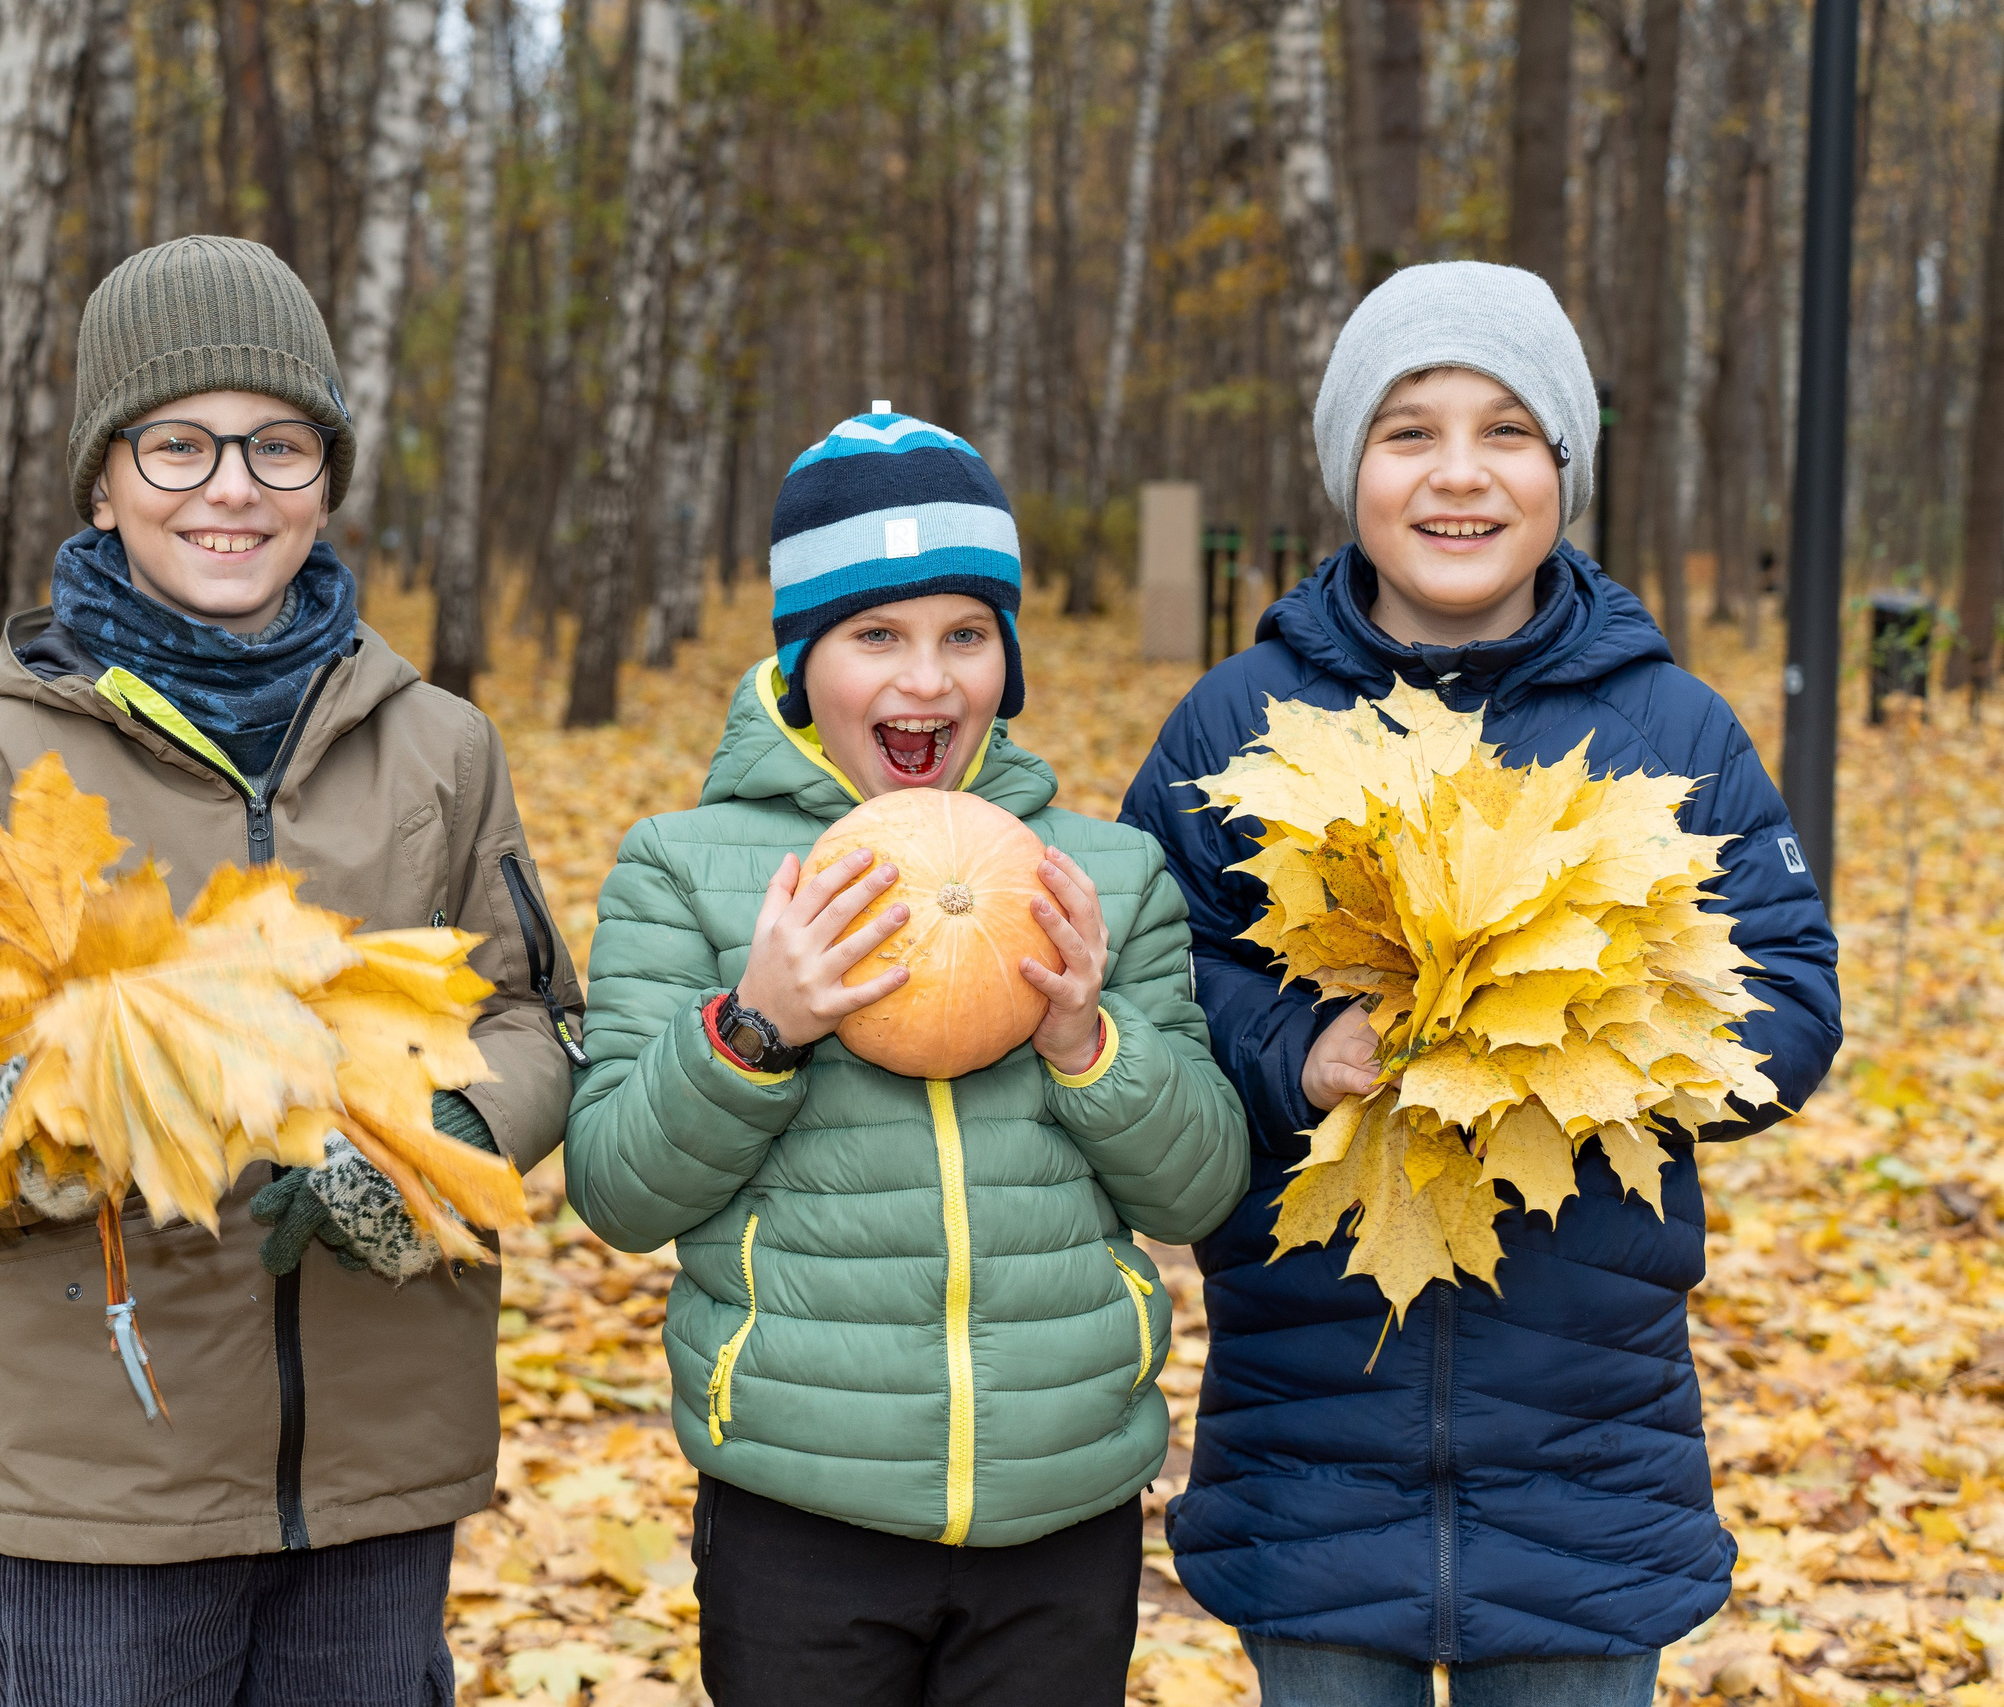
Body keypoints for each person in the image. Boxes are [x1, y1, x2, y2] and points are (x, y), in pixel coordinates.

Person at [0, 235, 584, 1707]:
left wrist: (446, 1140)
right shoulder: (1, 755)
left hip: (383, 1460)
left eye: (278, 444)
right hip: (108, 1481)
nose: (232, 488)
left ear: (328, 473)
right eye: (177, 445)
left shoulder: (438, 746)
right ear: (105, 481)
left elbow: (534, 1017)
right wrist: (18, 1137)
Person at [1121, 262, 1842, 1706]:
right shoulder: (1238, 721)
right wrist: (1289, 1050)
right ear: (1349, 469)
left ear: (1564, 464)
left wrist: (1593, 1032)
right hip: (1313, 1440)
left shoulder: (1671, 725)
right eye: (1410, 431)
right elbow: (1148, 985)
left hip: (1588, 1451)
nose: (1460, 474)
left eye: (1509, 430)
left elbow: (1791, 993)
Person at [561, 408, 1248, 1706]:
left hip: (1065, 1506)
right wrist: (753, 1027)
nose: (926, 682)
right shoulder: (687, 869)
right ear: (802, 657)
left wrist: (1088, 1041)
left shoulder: (1103, 875)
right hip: (799, 1511)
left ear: (1009, 658)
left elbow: (1197, 1190)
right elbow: (616, 1189)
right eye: (876, 635)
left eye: (965, 636)